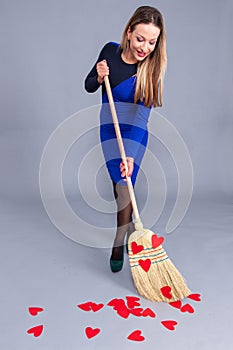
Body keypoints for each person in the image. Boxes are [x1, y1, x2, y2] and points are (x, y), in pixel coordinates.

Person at [84, 5, 167, 272]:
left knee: (124, 184)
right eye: (141, 39)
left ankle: (119, 243)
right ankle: (127, 220)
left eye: (152, 42)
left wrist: (129, 155)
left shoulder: (151, 73)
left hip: (133, 134)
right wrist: (98, 76)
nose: (145, 47)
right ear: (129, 33)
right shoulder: (109, 51)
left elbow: (141, 119)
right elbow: (88, 86)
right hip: (109, 129)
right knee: (116, 185)